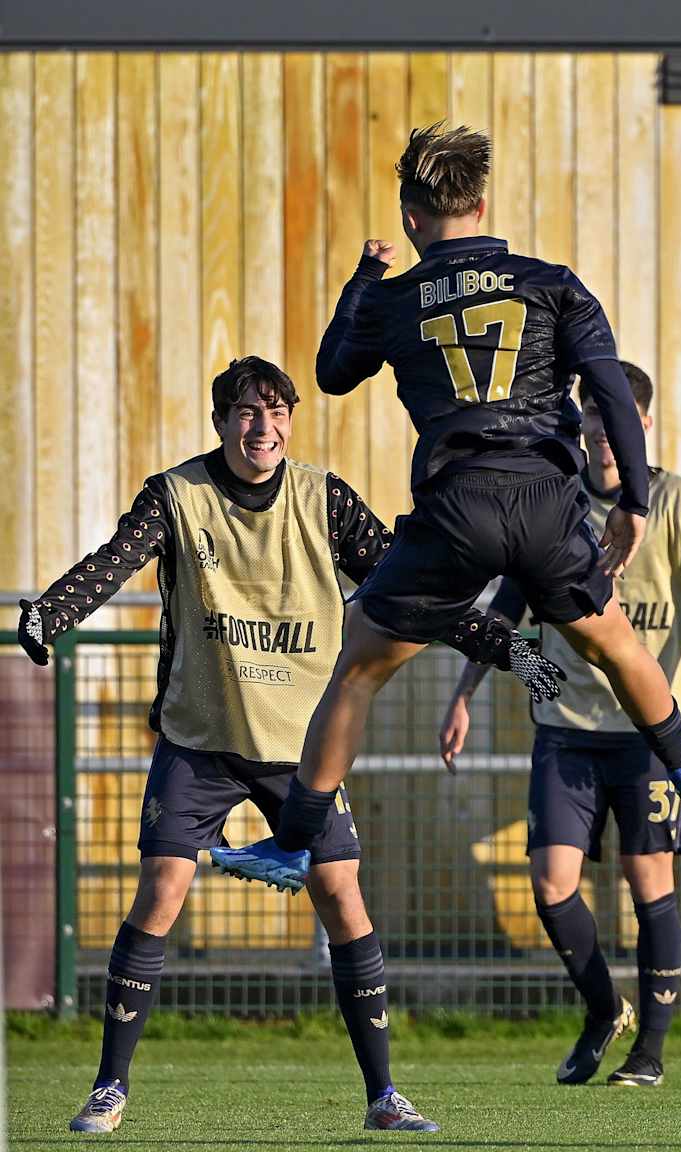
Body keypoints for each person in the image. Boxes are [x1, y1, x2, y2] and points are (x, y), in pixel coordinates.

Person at [18, 356, 552, 1136]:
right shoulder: (177, 495)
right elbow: (113, 563)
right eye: (244, 411)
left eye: (274, 411)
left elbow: (416, 587)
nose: (260, 426)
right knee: (163, 886)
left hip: (303, 751)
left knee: (341, 895)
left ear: (291, 421)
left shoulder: (323, 500)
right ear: (220, 421)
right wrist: (52, 615)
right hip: (201, 740)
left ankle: (383, 1096)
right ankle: (108, 1088)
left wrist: (514, 649)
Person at [234, 123, 681, 897]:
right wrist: (634, 501)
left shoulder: (396, 299)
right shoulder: (553, 281)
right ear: (482, 204)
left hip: (457, 508)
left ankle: (293, 844)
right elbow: (613, 393)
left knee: (357, 669)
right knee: (615, 644)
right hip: (549, 503)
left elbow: (328, 372)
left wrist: (362, 278)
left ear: (410, 216)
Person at [440, 361, 681, 1087]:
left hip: (653, 734)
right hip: (567, 727)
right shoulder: (552, 504)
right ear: (581, 425)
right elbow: (508, 614)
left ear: (641, 426)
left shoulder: (677, 503)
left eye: (615, 421)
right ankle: (600, 1009)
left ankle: (649, 1051)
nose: (602, 435)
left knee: (645, 879)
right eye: (591, 419)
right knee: (551, 883)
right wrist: (466, 692)